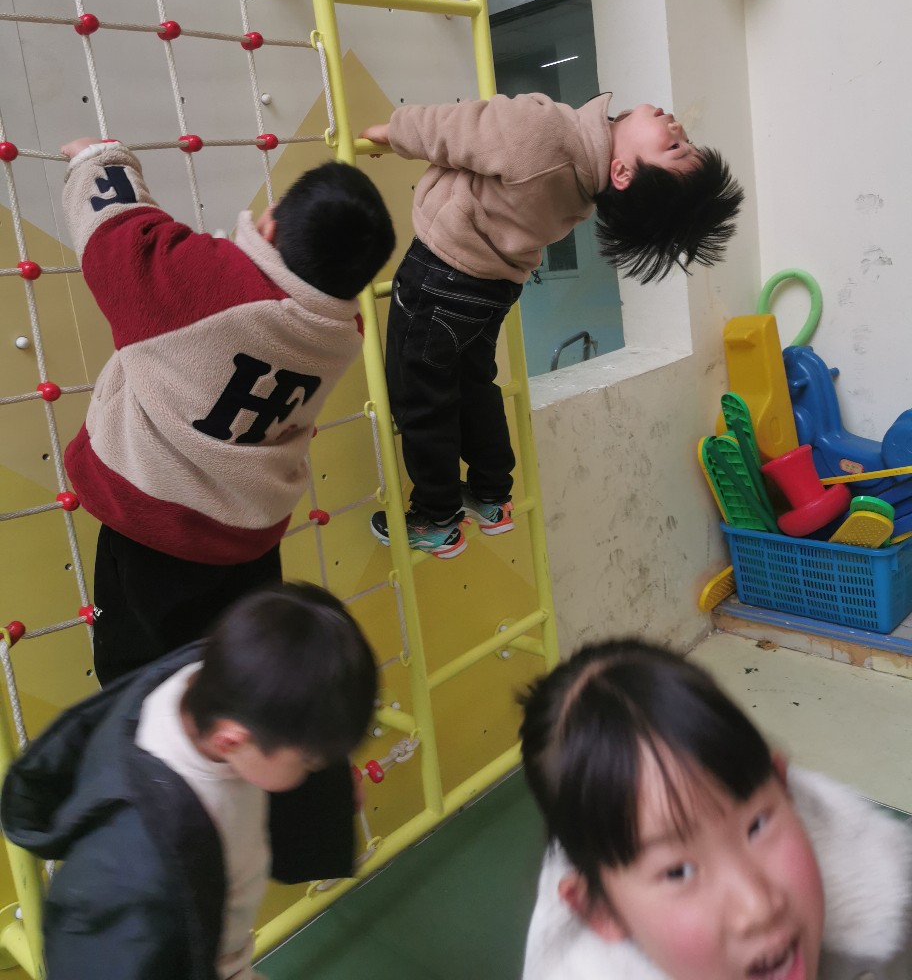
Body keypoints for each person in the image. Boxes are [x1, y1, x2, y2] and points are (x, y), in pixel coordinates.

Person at [59, 137, 395, 685]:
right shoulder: (340, 332)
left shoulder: (204, 284)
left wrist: (98, 158)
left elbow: (119, 237)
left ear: (270, 225)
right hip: (247, 535)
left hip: (155, 527)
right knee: (235, 671)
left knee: (137, 675)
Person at [361, 96, 744, 558]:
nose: (677, 126)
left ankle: (436, 517)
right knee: (473, 384)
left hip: (441, 273)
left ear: (622, 173)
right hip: (492, 286)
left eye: (675, 147)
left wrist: (393, 132)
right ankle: (491, 495)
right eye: (684, 140)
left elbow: (457, 127)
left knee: (419, 394)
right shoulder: (584, 184)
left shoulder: (548, 135)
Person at [1, 581, 378, 980]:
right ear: (232, 740)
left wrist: (332, 786)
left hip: (220, 941)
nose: (316, 770)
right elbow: (108, 960)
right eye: (309, 762)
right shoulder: (135, 861)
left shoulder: (218, 677)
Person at [518, 638, 912, 980]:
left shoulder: (889, 904)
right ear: (602, 911)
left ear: (783, 786)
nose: (758, 907)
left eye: (756, 825)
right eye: (678, 871)